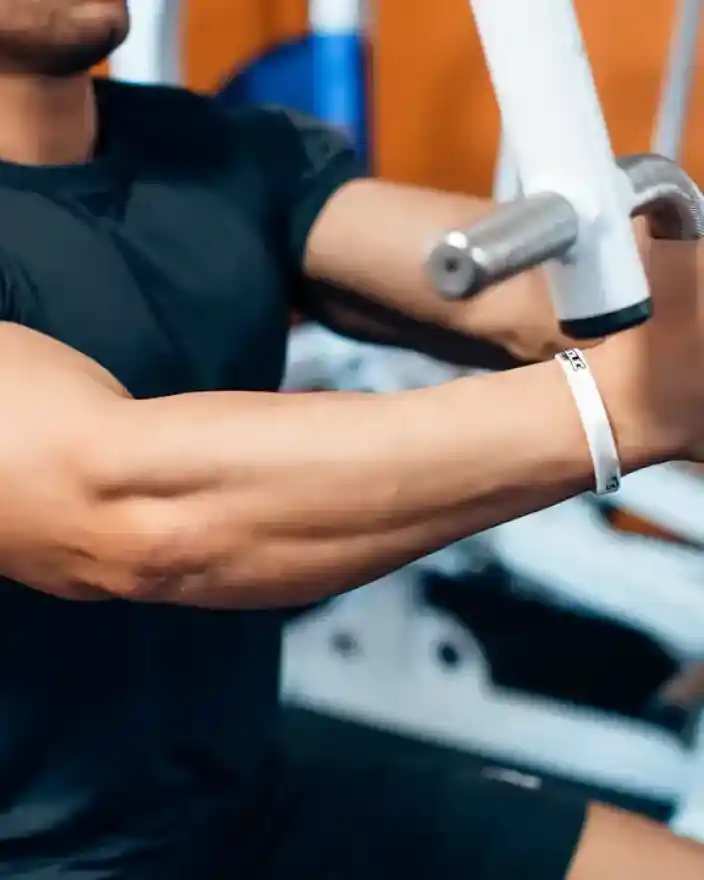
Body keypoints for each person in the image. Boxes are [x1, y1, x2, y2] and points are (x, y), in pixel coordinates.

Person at [0, 0, 703, 877]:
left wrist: (663, 316)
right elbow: (123, 508)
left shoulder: (219, 150)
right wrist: (617, 406)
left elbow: (545, 302)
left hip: (242, 808)